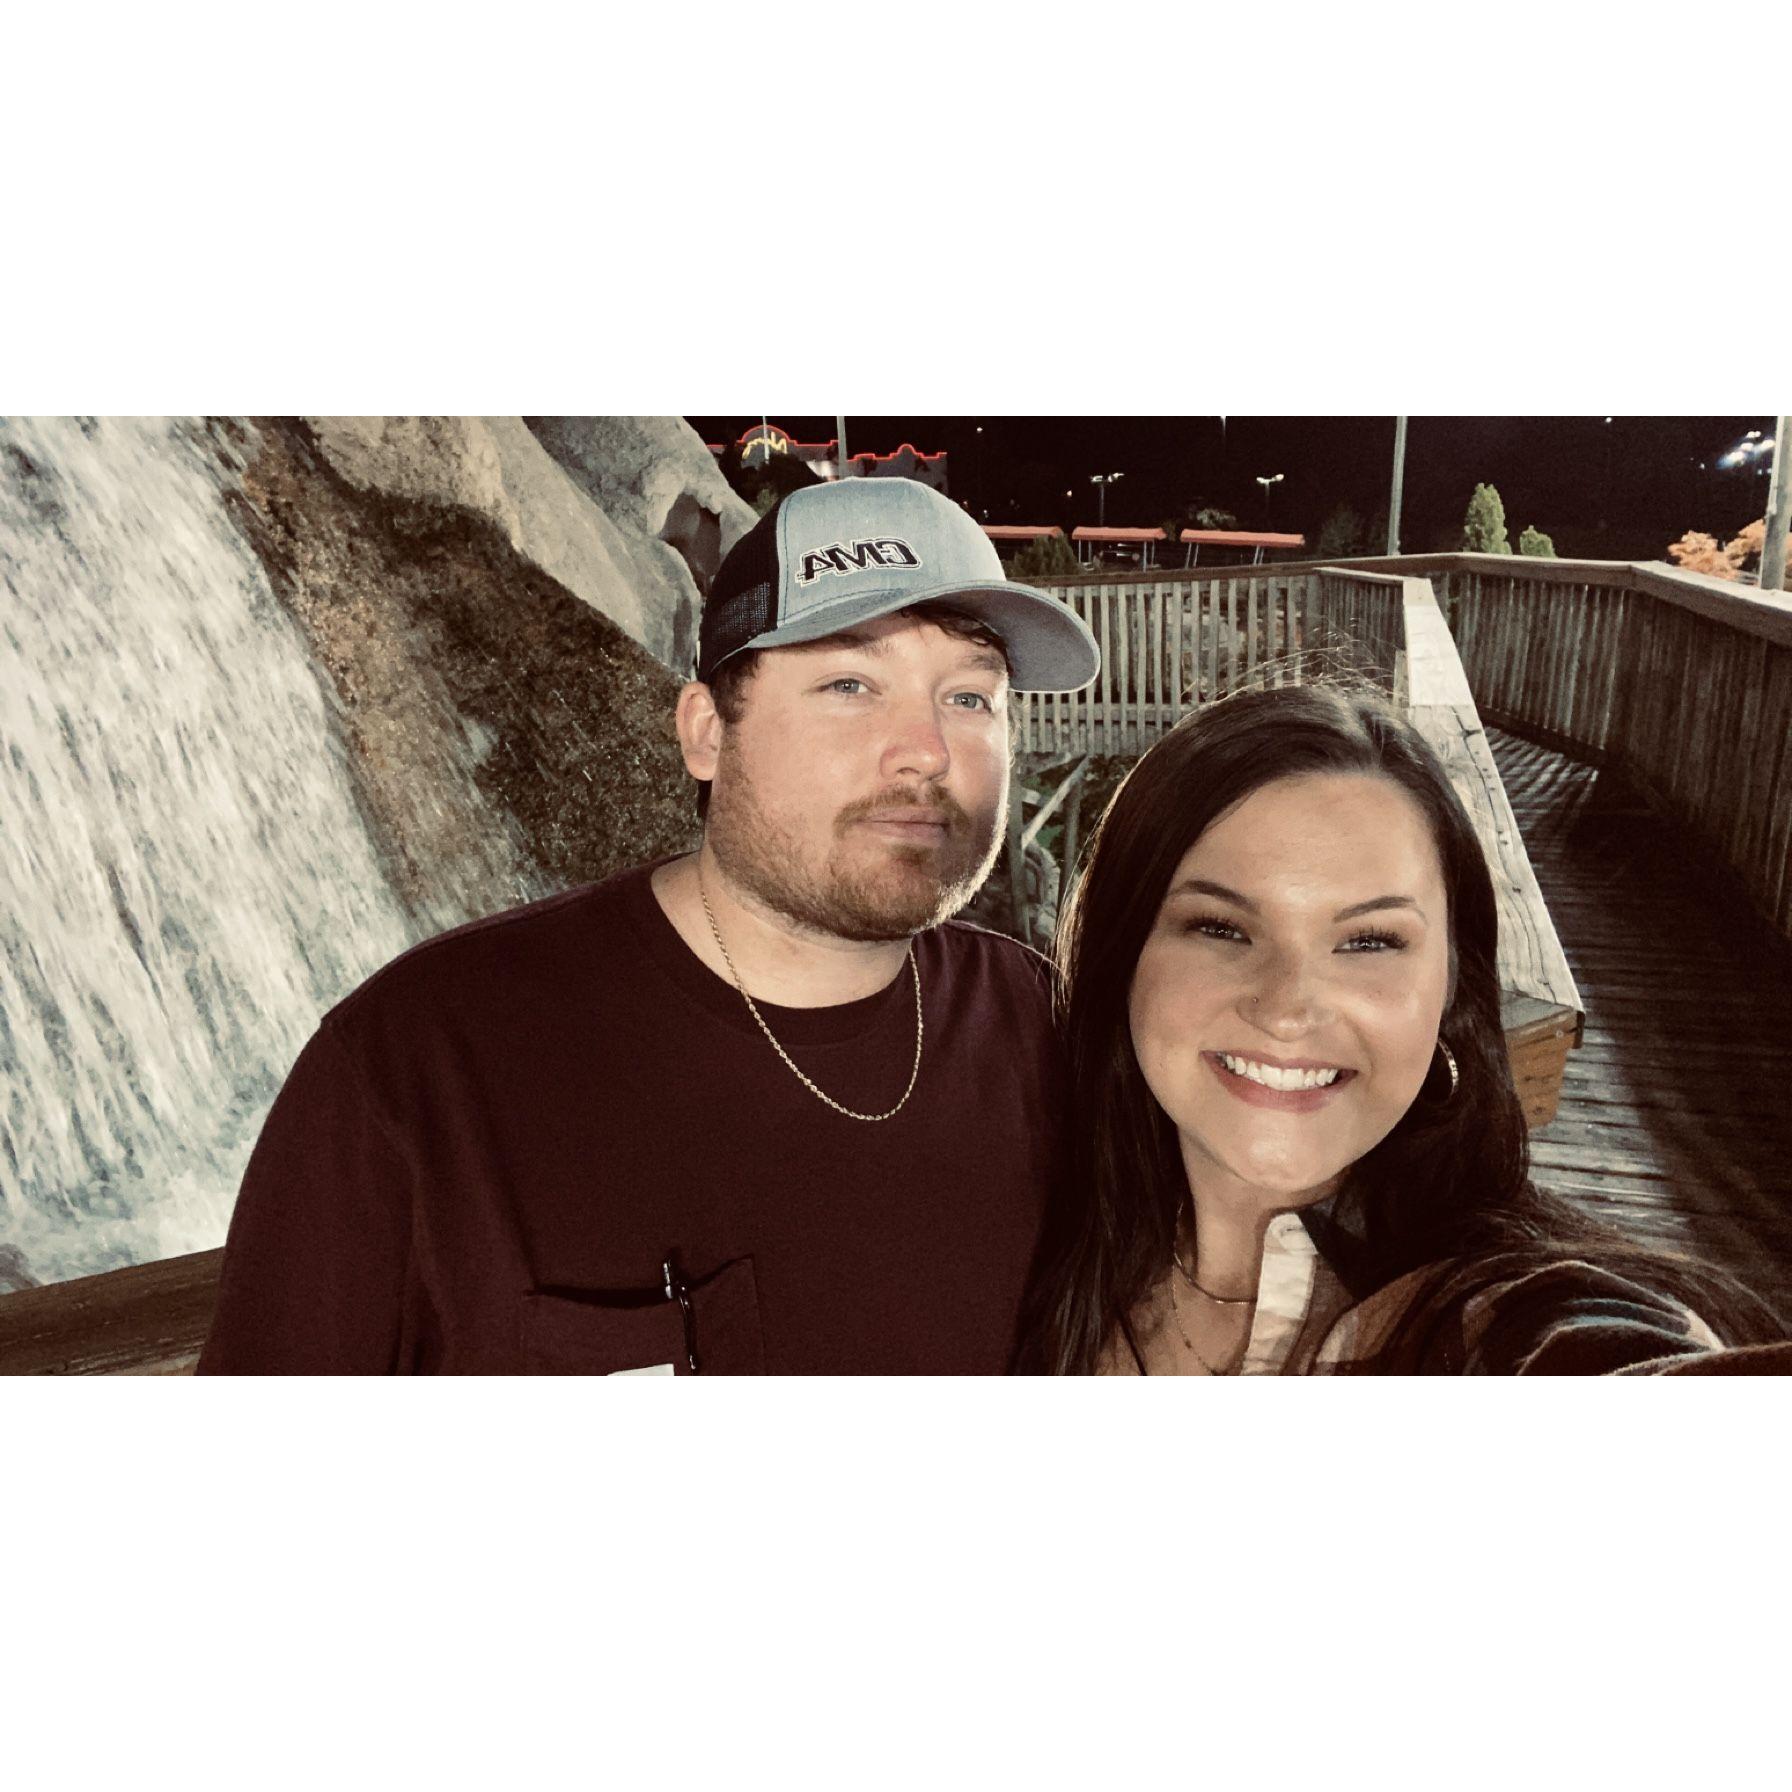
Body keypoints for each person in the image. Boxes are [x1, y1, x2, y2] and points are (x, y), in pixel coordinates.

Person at [199, 476, 1098, 1373]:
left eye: (970, 697)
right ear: (706, 733)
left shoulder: (1042, 1025)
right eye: (850, 683)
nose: (928, 751)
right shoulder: (418, 1068)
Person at [1016, 683, 1785, 1375]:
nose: (1287, 1008)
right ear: (1124, 955)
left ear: (1451, 989)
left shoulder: (1497, 1319)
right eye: (1220, 927)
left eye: (1369, 941)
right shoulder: (1026, 1238)